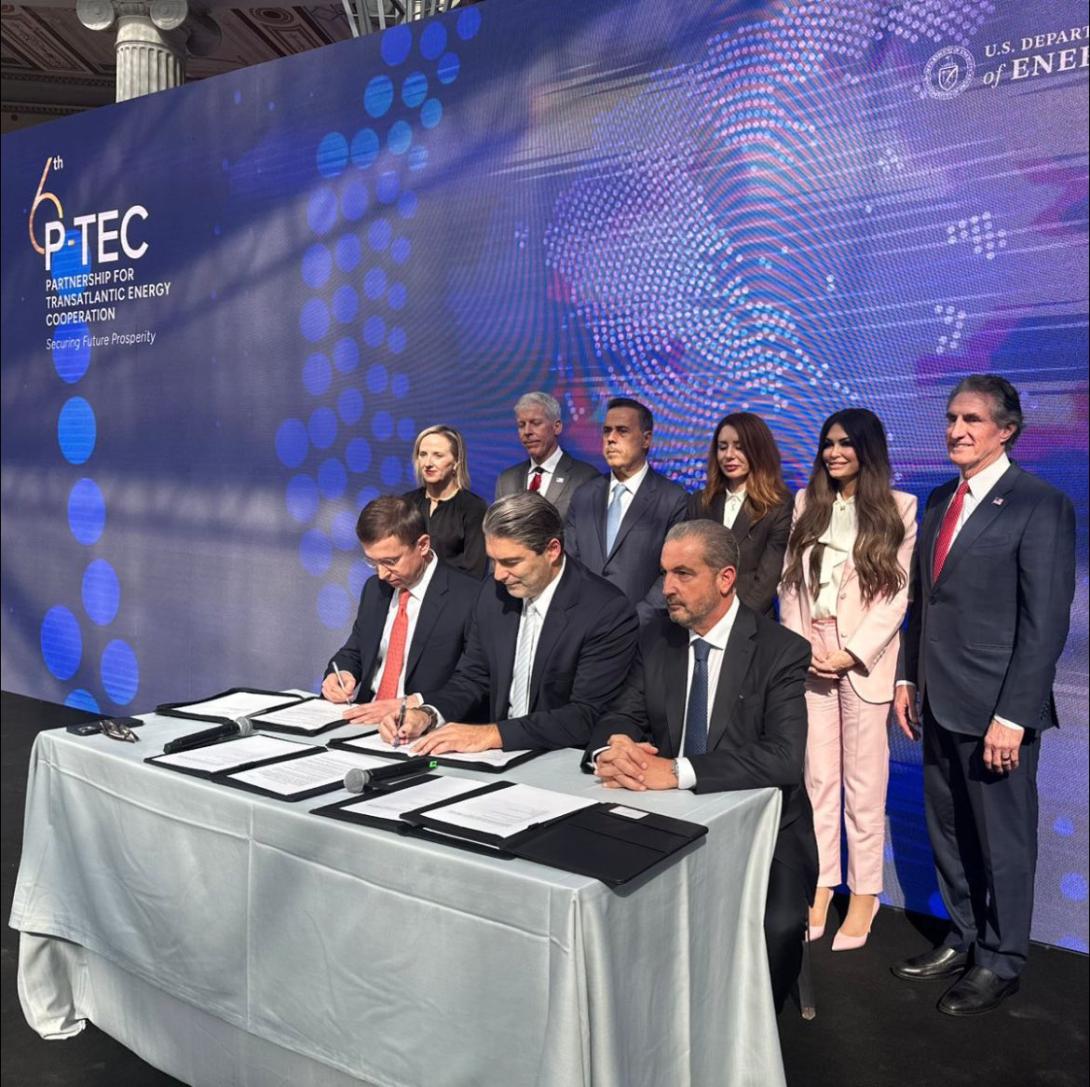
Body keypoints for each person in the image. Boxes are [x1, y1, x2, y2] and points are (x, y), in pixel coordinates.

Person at [892, 375, 1075, 1016]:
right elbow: (924, 602)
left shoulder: (1040, 504)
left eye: (971, 419)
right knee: (948, 832)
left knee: (1004, 843)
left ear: (1006, 430)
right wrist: (907, 678)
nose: (956, 430)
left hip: (997, 712)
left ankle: (1001, 959)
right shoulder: (941, 498)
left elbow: (1044, 623)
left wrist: (1014, 717)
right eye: (951, 418)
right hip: (937, 701)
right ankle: (964, 935)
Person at [585, 520, 816, 1013]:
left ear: (725, 578)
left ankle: (754, 1032)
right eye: (664, 573)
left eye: (683, 574)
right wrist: (614, 748)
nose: (667, 587)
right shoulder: (657, 639)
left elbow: (784, 757)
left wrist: (678, 771)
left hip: (765, 830)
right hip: (669, 819)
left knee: (776, 928)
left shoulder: (780, 650)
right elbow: (618, 714)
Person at [779, 409, 916, 950]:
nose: (834, 453)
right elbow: (790, 586)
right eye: (828, 444)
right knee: (817, 779)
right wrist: (801, 649)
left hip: (862, 660)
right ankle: (820, 884)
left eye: (846, 444)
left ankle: (865, 894)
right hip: (811, 654)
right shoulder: (805, 504)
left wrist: (852, 653)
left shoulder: (900, 507)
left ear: (868, 449)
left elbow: (897, 596)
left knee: (864, 784)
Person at [380, 491, 639, 753]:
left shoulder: (606, 611)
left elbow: (584, 715)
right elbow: (472, 679)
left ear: (552, 550)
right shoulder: (493, 594)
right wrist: (427, 714)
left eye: (511, 562)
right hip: (496, 758)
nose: (499, 575)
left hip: (561, 756)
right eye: (493, 561)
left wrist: (492, 734)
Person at [321, 496, 483, 725]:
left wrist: (416, 704)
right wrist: (341, 674)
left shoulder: (469, 597)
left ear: (423, 545)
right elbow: (355, 651)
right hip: (362, 721)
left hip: (422, 729)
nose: (381, 574)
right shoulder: (375, 589)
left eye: (390, 561)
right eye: (373, 562)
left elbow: (472, 683)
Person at [565, 397, 688, 623]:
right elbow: (569, 563)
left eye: (622, 431)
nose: (611, 439)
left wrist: (633, 621)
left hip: (645, 631)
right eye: (606, 431)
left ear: (646, 439)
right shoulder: (584, 496)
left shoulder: (673, 499)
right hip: (585, 627)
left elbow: (674, 572)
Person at [686, 411, 793, 616]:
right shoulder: (699, 501)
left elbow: (767, 580)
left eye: (739, 447)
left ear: (758, 450)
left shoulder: (779, 506)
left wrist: (733, 623)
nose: (729, 455)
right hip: (699, 617)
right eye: (722, 447)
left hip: (751, 620)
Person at [494, 391, 599, 520]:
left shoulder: (585, 478)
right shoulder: (506, 481)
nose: (527, 432)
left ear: (557, 427)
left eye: (536, 423)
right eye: (521, 425)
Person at [403, 425, 488, 579]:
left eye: (438, 455)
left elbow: (475, 573)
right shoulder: (406, 503)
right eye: (423, 454)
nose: (428, 463)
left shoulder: (473, 508)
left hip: (455, 592)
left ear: (456, 462)